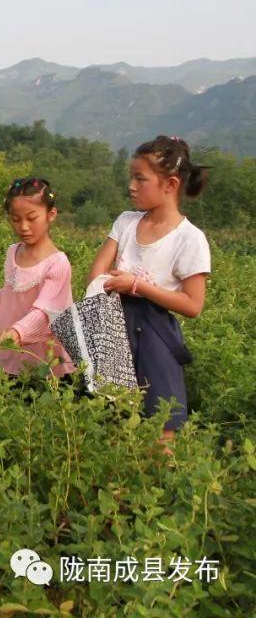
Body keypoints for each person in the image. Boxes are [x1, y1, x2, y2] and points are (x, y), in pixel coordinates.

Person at [87, 135, 210, 454]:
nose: (131, 185)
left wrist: (137, 286)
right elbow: (99, 267)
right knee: (114, 415)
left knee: (161, 424)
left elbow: (193, 305)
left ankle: (164, 493)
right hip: (114, 326)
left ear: (170, 184)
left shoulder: (189, 239)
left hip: (155, 336)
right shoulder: (126, 222)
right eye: (132, 177)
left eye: (140, 178)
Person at [0, 178, 75, 379]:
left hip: (43, 361)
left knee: (34, 403)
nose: (24, 227)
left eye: (31, 218)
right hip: (7, 351)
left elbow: (45, 313)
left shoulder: (57, 263)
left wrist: (18, 333)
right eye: (15, 219)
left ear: (51, 214)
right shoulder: (13, 252)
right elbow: (10, 299)